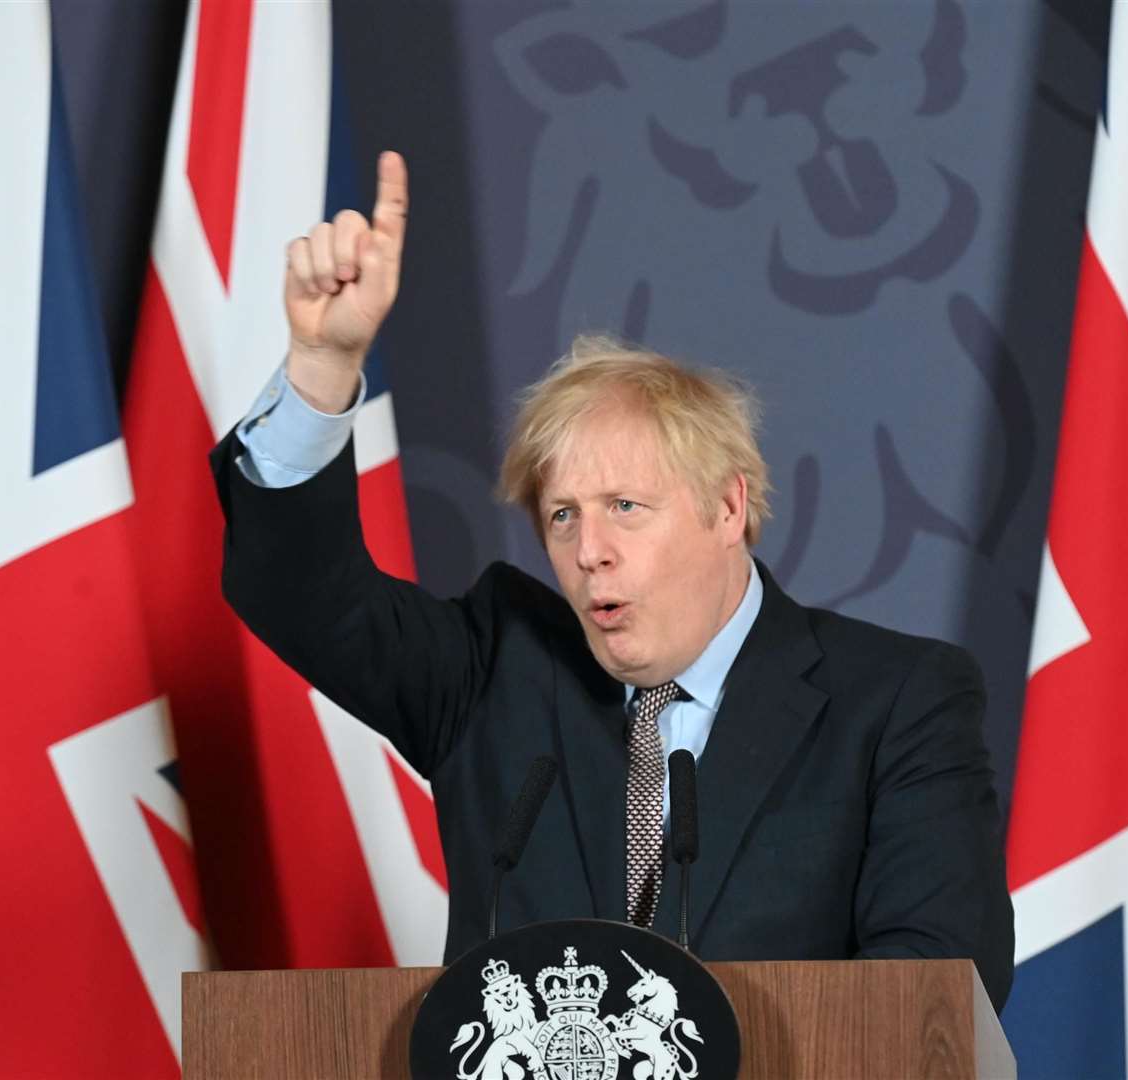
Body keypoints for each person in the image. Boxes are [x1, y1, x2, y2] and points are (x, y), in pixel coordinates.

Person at [210, 152, 1014, 1008]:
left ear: (727, 506)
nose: (589, 549)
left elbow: (935, 987)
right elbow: (297, 593)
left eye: (626, 506)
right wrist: (325, 366)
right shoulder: (493, 671)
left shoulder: (894, 701)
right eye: (563, 516)